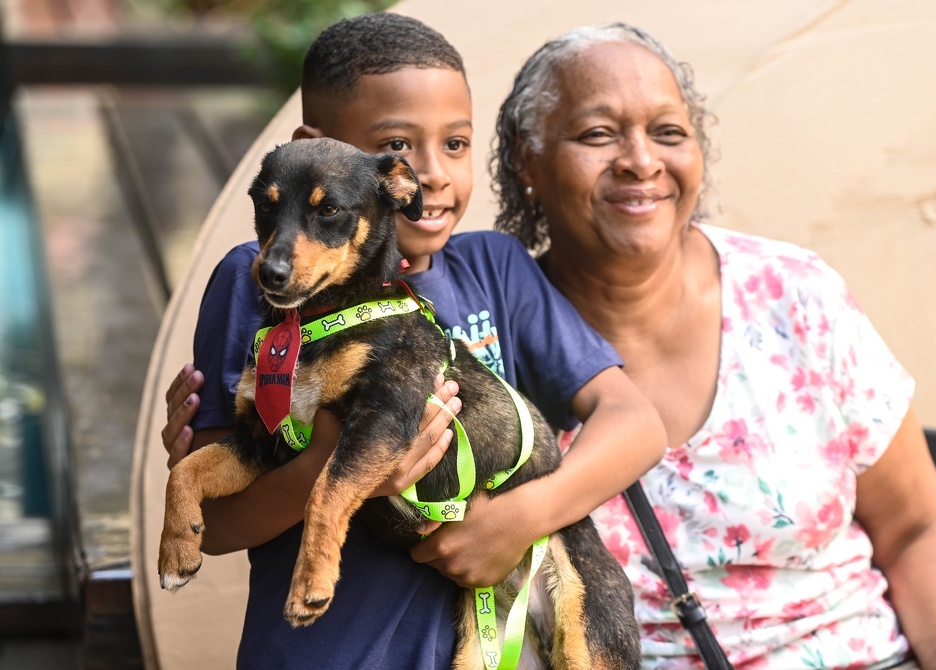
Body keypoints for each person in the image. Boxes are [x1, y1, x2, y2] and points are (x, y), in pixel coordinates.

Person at [459, 22, 936, 670]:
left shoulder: (795, 295)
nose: (641, 161)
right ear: (528, 161)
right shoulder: (485, 343)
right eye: (598, 134)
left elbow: (917, 527)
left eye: (668, 132)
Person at [161, 12, 666, 669]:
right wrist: (342, 470)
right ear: (314, 147)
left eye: (456, 144)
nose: (429, 173)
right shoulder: (255, 282)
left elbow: (636, 424)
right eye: (398, 143)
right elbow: (217, 526)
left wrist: (516, 521)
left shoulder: (496, 268)